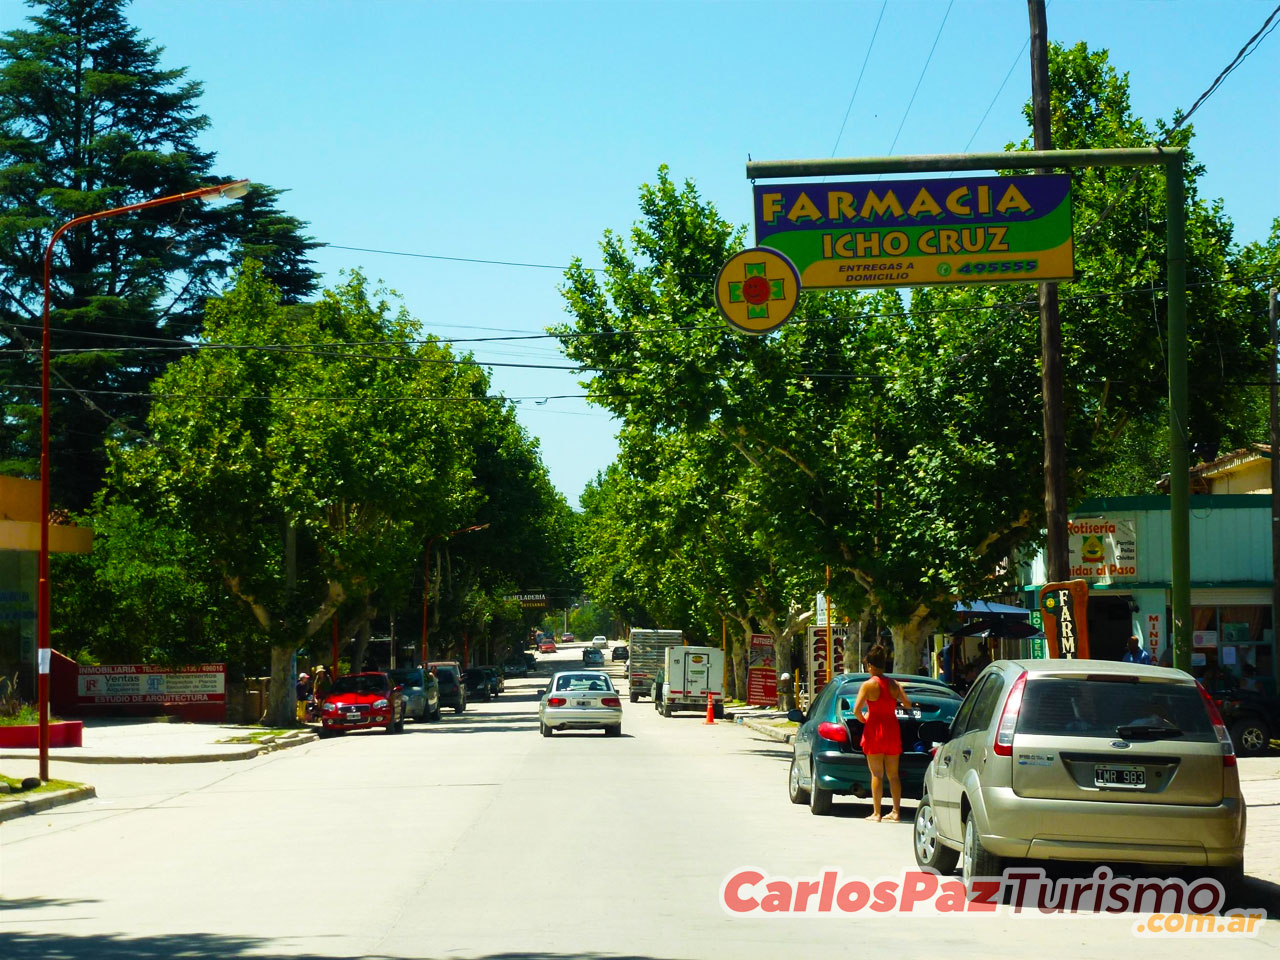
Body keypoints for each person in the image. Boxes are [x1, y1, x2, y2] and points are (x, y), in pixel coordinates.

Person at [852, 644, 913, 823]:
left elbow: (857, 709)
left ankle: (877, 813)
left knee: (876, 774)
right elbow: (908, 703)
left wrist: (864, 718)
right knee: (893, 775)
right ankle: (896, 812)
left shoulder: (868, 685)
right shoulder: (894, 684)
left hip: (874, 729)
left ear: (870, 665)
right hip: (891, 729)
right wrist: (895, 705)